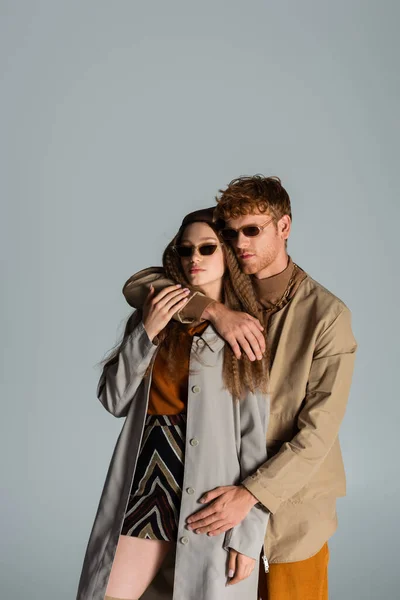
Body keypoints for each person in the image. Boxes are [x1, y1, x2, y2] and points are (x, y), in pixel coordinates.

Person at [122, 175, 358, 600]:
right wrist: (213, 310)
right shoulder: (221, 292)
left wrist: (250, 495)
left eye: (253, 230)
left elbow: (317, 433)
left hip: (290, 510)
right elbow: (141, 285)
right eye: (231, 234)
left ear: (284, 227)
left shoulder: (327, 316)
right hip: (212, 495)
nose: (240, 242)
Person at [76, 208, 271, 600]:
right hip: (148, 478)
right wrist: (147, 330)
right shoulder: (156, 313)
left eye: (206, 248)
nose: (194, 258)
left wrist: (249, 538)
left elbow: (254, 443)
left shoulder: (243, 333)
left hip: (206, 487)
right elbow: (114, 399)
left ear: (227, 255)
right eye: (185, 250)